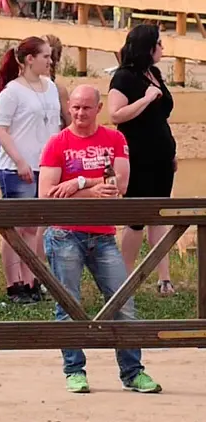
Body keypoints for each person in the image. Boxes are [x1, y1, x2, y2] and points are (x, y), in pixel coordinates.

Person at [38, 84, 162, 394]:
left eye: (86, 108)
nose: (80, 113)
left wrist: (79, 182)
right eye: (75, 107)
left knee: (123, 301)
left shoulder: (115, 139)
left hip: (103, 233)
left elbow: (119, 185)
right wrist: (91, 190)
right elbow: (46, 194)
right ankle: (74, 370)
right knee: (68, 305)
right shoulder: (56, 143)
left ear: (99, 108)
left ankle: (133, 371)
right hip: (65, 232)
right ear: (69, 108)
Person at [0, 36, 62, 304]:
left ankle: (31, 279)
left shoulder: (51, 87)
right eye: (45, 56)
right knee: (16, 228)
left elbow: (54, 125)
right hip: (17, 167)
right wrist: (19, 160)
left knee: (33, 227)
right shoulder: (12, 91)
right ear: (29, 59)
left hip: (44, 165)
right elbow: (1, 130)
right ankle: (14, 283)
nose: (50, 60)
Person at [108, 23, 176, 297]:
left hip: (161, 155)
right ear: (147, 48)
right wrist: (146, 99)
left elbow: (162, 117)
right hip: (137, 156)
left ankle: (164, 278)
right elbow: (116, 115)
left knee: (159, 215)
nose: (162, 48)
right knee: (136, 218)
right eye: (158, 44)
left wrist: (171, 152)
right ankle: (124, 279)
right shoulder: (124, 78)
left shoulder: (155, 73)